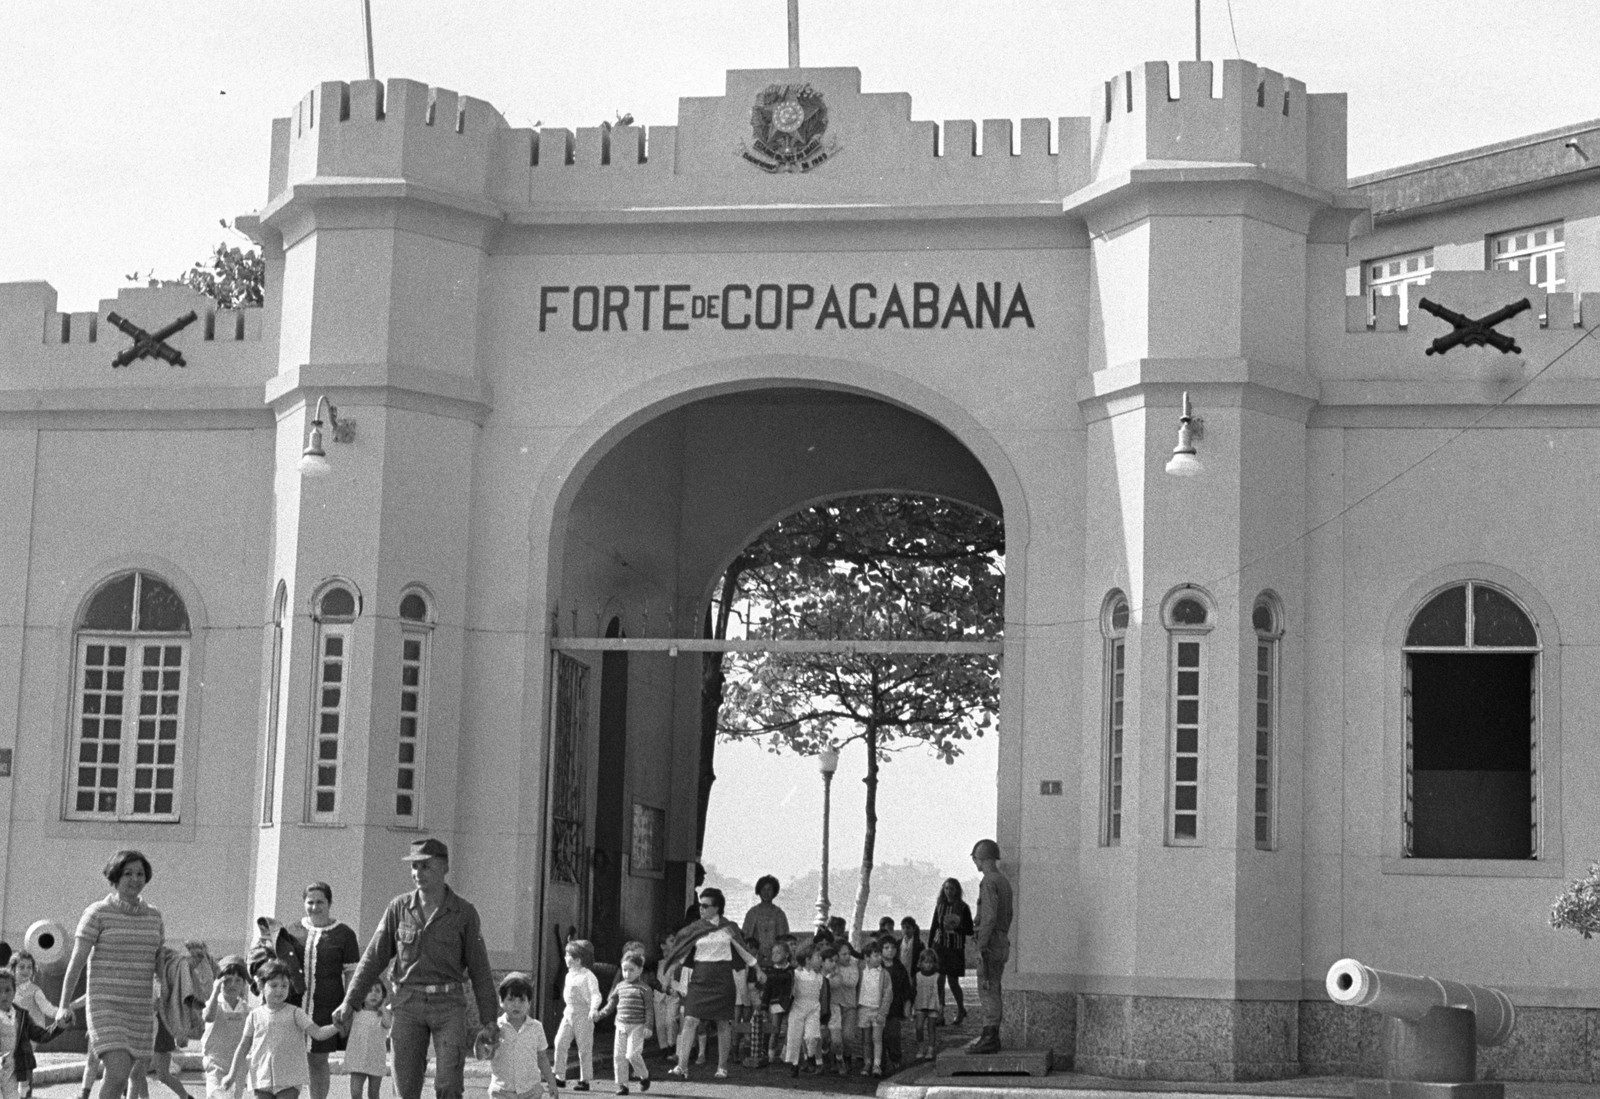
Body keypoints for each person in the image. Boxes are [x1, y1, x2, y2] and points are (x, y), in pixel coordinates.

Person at [334, 838, 499, 1099]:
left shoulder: (464, 912)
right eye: (414, 867)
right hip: (407, 1004)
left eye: (425, 866)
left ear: (444, 867)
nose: (417, 874)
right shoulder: (398, 908)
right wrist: (349, 1002)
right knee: (406, 1085)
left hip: (448, 1005)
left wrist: (489, 1020)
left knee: (449, 1083)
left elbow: (480, 971)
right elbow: (373, 957)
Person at [56, 850, 166, 1099]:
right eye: (128, 873)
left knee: (119, 1079)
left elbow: (159, 963)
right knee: (117, 1073)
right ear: (115, 877)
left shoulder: (154, 917)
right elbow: (77, 962)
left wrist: (189, 965)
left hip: (139, 1010)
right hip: (106, 1006)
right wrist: (63, 1005)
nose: (135, 879)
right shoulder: (97, 912)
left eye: (140, 873)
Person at [663, 887, 758, 1082]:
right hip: (700, 978)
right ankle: (682, 1066)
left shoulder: (729, 927)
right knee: (689, 1020)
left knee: (723, 1022)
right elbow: (680, 952)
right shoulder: (695, 928)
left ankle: (722, 1067)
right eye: (700, 905)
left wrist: (758, 968)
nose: (701, 909)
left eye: (706, 906)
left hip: (722, 979)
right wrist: (669, 972)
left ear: (717, 908)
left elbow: (743, 951)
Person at [222, 960, 340, 1099]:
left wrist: (337, 1026)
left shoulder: (296, 1013)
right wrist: (231, 1075)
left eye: (284, 986)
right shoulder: (254, 1015)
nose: (279, 990)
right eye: (274, 985)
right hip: (261, 1078)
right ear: (261, 986)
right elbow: (243, 1047)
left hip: (289, 1080)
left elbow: (318, 1033)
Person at [296, 883, 360, 1099]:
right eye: (310, 902)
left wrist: (348, 1005)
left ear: (329, 903)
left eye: (320, 902)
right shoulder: (292, 931)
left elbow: (351, 974)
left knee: (317, 1059)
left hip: (326, 1004)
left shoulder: (344, 934)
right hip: (294, 1005)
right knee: (292, 1057)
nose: (315, 907)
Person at [965, 838, 1013, 1055]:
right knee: (995, 988)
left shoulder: (988, 882)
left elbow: (989, 916)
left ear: (981, 858)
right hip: (1002, 940)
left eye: (975, 858)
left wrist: (982, 943)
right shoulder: (1003, 881)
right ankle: (990, 1036)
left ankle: (989, 1037)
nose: (975, 862)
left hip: (991, 943)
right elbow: (1007, 915)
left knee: (987, 991)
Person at [482, 973, 559, 1099]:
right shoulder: (495, 1028)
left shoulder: (536, 1027)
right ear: (501, 1001)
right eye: (511, 999)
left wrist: (552, 1083)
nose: (516, 1005)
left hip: (531, 1091)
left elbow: (542, 1058)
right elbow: (484, 1054)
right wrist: (487, 1046)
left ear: (529, 1002)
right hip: (501, 1091)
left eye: (522, 1000)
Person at [594, 951, 652, 1095]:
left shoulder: (645, 989)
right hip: (620, 1025)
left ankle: (644, 1076)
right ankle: (622, 1085)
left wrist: (648, 1026)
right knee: (619, 1056)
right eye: (624, 970)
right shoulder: (619, 986)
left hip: (637, 1026)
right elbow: (611, 1005)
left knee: (632, 1054)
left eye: (631, 970)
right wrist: (600, 1015)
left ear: (640, 970)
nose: (627, 973)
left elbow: (649, 1009)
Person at [0, 967, 60, 1099]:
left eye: (7, 990)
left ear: (14, 991)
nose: (3, 995)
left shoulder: (20, 1016)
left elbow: (40, 1035)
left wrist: (59, 1026)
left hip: (11, 1071)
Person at [551, 940, 600, 1090]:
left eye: (568, 955)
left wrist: (593, 1009)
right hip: (569, 1012)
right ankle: (559, 1076)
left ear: (578, 960)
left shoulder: (588, 976)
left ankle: (584, 1080)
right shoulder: (569, 975)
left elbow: (595, 995)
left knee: (584, 1047)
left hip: (583, 1014)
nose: (566, 958)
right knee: (560, 1042)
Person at [200, 956, 251, 1099]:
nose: (232, 984)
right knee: (218, 1096)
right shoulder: (215, 1004)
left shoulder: (247, 1009)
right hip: (215, 1064)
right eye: (227, 980)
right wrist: (215, 991)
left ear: (244, 984)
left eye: (238, 980)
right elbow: (208, 1017)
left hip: (238, 1064)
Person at [928, 878, 973, 1024]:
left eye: (951, 888)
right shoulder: (940, 906)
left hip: (955, 948)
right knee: (939, 980)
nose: (949, 891)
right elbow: (934, 925)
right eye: (946, 888)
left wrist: (956, 927)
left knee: (953, 981)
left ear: (957, 890)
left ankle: (961, 1008)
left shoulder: (963, 908)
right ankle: (940, 1011)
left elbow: (970, 930)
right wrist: (929, 948)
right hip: (940, 946)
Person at [782, 946, 828, 1076]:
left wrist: (824, 1013)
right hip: (797, 1008)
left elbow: (823, 995)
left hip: (813, 1009)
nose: (820, 960)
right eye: (818, 957)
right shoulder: (796, 975)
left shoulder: (819, 977)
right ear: (808, 960)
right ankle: (794, 1064)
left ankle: (811, 1056)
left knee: (812, 1036)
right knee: (794, 1037)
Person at [341, 979, 390, 1099]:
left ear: (383, 995)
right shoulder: (355, 1013)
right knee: (355, 1092)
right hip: (357, 1057)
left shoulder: (382, 1015)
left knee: (374, 1093)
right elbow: (343, 1030)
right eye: (369, 991)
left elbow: (388, 1024)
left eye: (377, 991)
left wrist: (383, 1007)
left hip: (376, 1058)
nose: (373, 994)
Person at [753, 940, 793, 1066]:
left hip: (791, 1003)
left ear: (786, 954)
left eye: (778, 952)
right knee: (774, 1030)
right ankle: (770, 1055)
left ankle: (786, 1054)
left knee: (790, 1030)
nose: (775, 955)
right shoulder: (770, 972)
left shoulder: (792, 971)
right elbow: (767, 990)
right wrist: (764, 1006)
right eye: (773, 952)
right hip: (775, 1003)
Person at [854, 939, 890, 1078]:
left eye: (880, 955)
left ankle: (877, 1064)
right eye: (875, 955)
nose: (879, 958)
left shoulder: (884, 974)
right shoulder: (862, 971)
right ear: (867, 957)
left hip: (877, 1010)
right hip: (863, 1009)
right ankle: (867, 1062)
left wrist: (883, 1012)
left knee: (877, 1038)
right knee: (866, 1039)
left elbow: (888, 994)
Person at [822, 944, 858, 1075]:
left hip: (844, 1006)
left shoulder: (849, 968)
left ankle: (843, 1058)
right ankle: (830, 1058)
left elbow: (848, 982)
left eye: (848, 953)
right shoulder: (826, 970)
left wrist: (834, 976)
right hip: (829, 1007)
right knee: (828, 1038)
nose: (847, 957)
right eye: (844, 954)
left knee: (844, 1037)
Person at [879, 938, 912, 1072]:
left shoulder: (899, 968)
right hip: (878, 1007)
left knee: (893, 1035)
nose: (890, 950)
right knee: (879, 1036)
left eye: (892, 947)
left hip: (894, 1008)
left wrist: (907, 1005)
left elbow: (906, 989)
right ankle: (879, 1062)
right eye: (886, 948)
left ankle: (896, 1059)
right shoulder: (877, 967)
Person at [652, 935, 681, 1058]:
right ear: (663, 945)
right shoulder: (656, 961)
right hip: (659, 994)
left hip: (673, 994)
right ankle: (663, 1048)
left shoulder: (678, 960)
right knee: (660, 1024)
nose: (674, 943)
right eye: (671, 941)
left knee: (671, 1020)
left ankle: (671, 1046)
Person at [912, 948, 942, 1061]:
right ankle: (921, 1046)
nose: (928, 965)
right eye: (926, 962)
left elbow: (941, 992)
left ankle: (931, 1048)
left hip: (933, 1004)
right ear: (921, 963)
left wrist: (941, 1005)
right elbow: (913, 991)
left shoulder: (938, 976)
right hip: (920, 1004)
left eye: (930, 962)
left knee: (931, 1028)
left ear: (934, 963)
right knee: (919, 1027)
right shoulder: (917, 976)